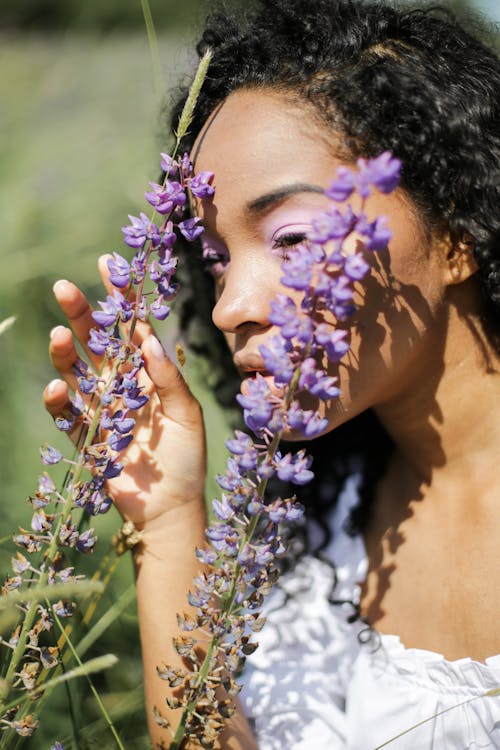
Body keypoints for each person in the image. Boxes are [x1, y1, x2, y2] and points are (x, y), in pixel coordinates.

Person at [43, 0, 500, 747]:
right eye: (217, 261)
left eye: (291, 238)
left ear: (456, 230)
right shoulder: (314, 502)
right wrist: (167, 520)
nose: (231, 308)